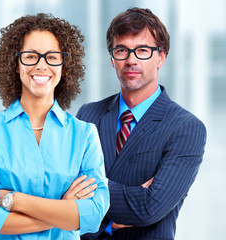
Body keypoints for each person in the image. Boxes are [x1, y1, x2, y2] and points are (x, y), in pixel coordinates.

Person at [0, 13, 109, 239]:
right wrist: (63, 209)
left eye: (51, 57)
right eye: (31, 56)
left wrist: (14, 200)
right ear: (16, 62)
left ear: (64, 64)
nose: (41, 66)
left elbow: (93, 215)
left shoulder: (84, 135)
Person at [77, 7, 207, 240]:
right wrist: (111, 220)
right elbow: (61, 190)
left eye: (142, 51)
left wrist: (86, 196)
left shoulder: (186, 127)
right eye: (121, 50)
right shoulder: (88, 115)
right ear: (111, 58)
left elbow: (149, 208)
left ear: (161, 57)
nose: (131, 60)